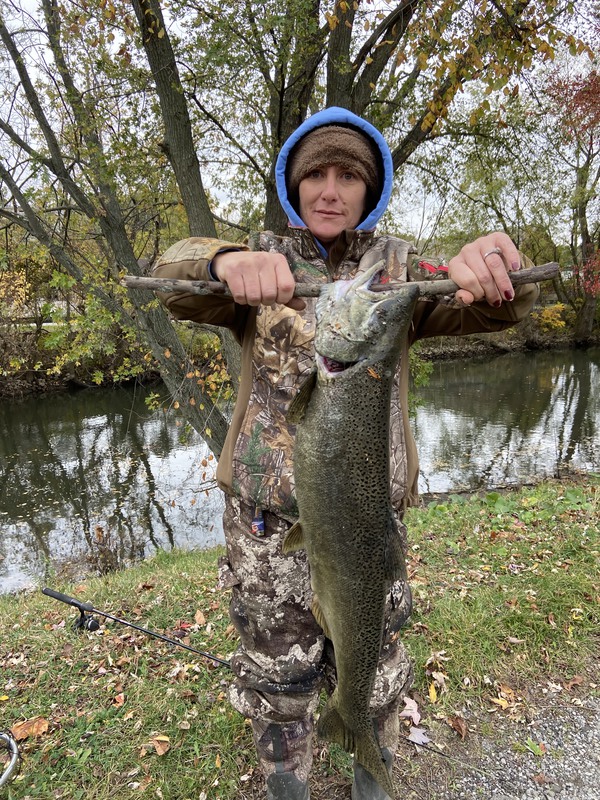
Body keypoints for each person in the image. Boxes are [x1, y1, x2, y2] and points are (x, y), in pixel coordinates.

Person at [153, 107, 539, 800]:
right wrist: (222, 262)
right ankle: (287, 788)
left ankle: (368, 767)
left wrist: (487, 268)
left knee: (376, 669)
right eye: (316, 175)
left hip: (366, 525)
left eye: (349, 176)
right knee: (277, 685)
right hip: (269, 532)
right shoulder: (261, 260)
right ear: (294, 186)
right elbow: (172, 276)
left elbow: (494, 308)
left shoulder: (399, 274)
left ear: (372, 188)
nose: (330, 190)